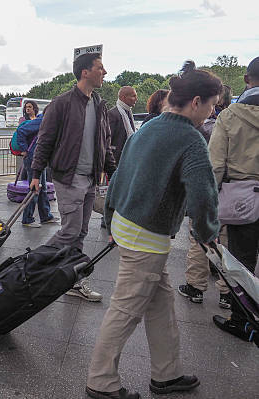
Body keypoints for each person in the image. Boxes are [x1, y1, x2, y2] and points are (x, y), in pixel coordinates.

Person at [85, 61, 222, 399]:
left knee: (160, 304)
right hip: (147, 236)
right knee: (125, 310)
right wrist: (208, 234)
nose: (211, 112)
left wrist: (110, 218)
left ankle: (167, 373)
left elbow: (120, 174)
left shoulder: (149, 126)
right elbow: (203, 197)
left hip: (128, 226)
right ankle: (100, 383)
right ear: (196, 102)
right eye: (211, 105)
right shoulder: (191, 140)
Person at [30, 50, 116, 302]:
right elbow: (44, 140)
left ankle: (74, 280)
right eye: (100, 67)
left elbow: (105, 143)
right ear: (85, 72)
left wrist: (113, 172)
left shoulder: (99, 105)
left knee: (80, 232)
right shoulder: (62, 103)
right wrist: (36, 173)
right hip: (68, 177)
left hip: (90, 179)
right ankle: (33, 265)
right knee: (70, 231)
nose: (105, 72)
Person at [208, 56, 259, 342]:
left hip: (242, 199)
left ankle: (242, 320)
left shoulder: (230, 115)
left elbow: (215, 165)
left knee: (242, 261)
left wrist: (206, 205)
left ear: (247, 80)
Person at [177, 85, 232, 308]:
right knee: (227, 246)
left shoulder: (205, 128)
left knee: (199, 240)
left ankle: (196, 287)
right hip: (235, 194)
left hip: (209, 191)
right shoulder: (241, 124)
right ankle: (228, 293)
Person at [16, 113, 57, 227]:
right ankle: (27, 219)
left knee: (42, 188)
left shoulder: (47, 120)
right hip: (33, 158)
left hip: (39, 158)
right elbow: (21, 131)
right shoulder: (43, 120)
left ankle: (45, 216)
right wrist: (24, 149)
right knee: (34, 188)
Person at [107, 86, 137, 164]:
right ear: (124, 97)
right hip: (116, 161)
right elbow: (107, 141)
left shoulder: (128, 113)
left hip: (128, 159)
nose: (136, 99)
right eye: (133, 96)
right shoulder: (112, 114)